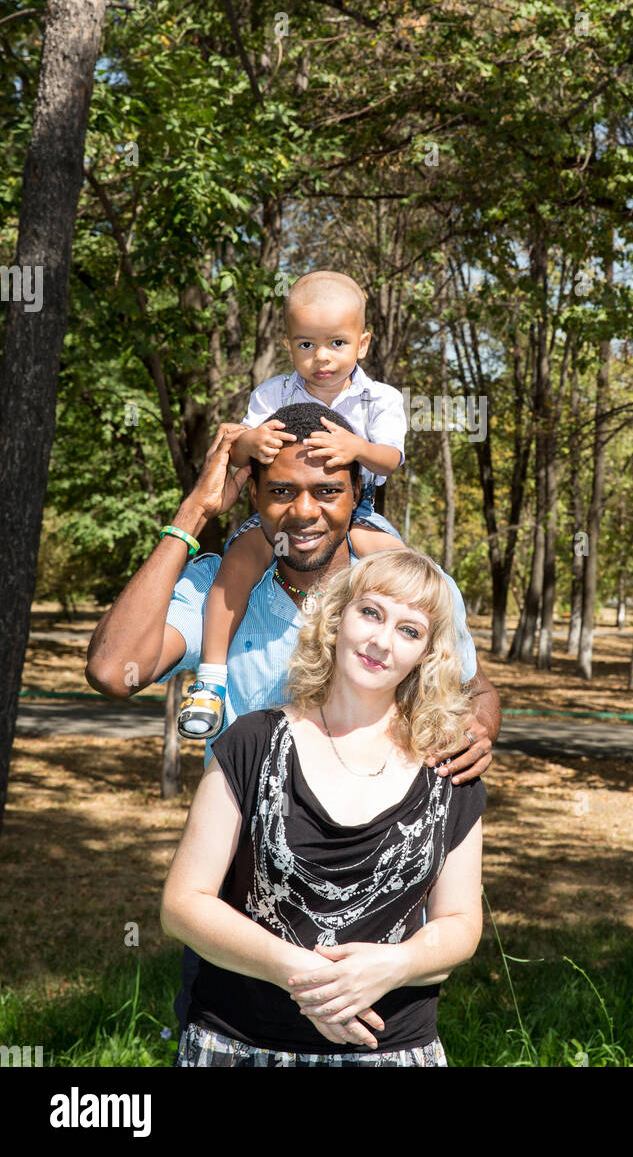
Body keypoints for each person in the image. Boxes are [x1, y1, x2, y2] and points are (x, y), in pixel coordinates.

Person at [85, 405, 500, 1025]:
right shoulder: (216, 590)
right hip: (240, 923)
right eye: (279, 491)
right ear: (251, 492)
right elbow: (113, 669)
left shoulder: (398, 594)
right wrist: (194, 512)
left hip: (381, 928)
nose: (303, 512)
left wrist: (481, 727)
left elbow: (475, 686)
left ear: (358, 491)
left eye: (329, 490)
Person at [160, 548, 485, 1066]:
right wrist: (309, 978)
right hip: (241, 1044)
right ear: (336, 619)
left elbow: (462, 922)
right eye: (371, 613)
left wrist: (394, 965)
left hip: (392, 1049)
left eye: (410, 630)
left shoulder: (448, 767)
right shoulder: (251, 742)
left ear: (427, 654)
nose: (381, 641)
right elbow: (183, 905)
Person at [179, 269, 407, 741]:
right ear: (288, 346)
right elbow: (237, 453)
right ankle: (212, 682)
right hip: (280, 511)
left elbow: (390, 460)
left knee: (403, 575)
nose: (321, 357)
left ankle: (414, 685)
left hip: (356, 512)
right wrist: (251, 441)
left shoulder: (380, 398)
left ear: (362, 343)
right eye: (306, 344)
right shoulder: (272, 394)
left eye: (337, 343)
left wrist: (355, 447)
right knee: (239, 562)